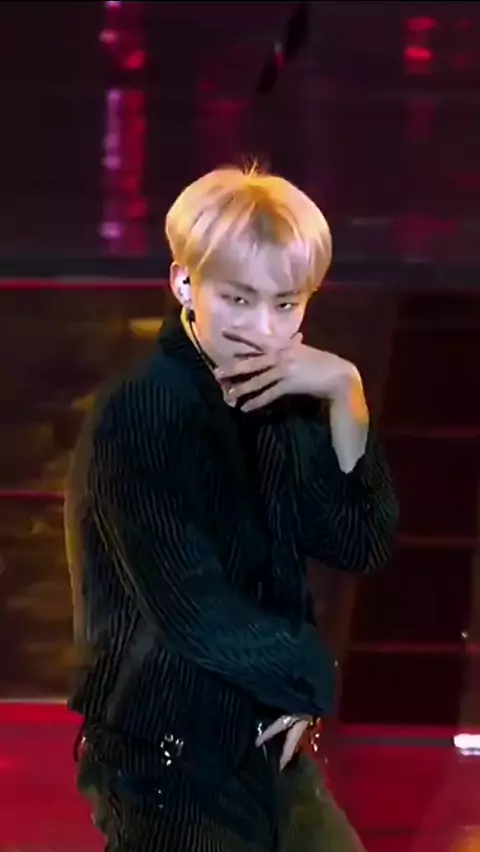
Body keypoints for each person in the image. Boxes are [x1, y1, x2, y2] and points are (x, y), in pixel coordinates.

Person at [65, 163, 399, 852]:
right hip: (164, 761)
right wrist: (306, 679)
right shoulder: (144, 413)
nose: (263, 329)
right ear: (185, 283)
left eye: (287, 304)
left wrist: (346, 394)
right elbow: (192, 606)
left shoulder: (284, 392)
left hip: (264, 744)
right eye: (239, 299)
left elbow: (359, 541)